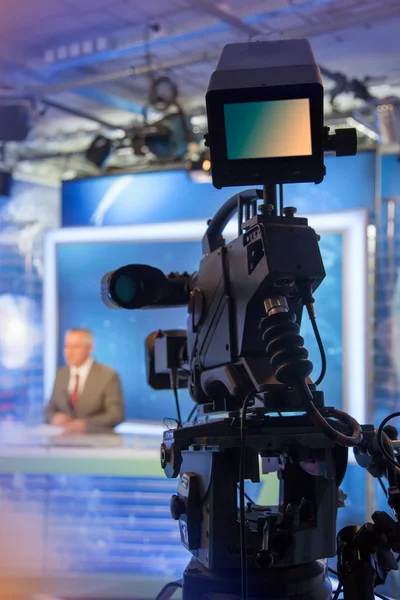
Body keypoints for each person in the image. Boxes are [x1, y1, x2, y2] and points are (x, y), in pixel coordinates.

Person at [45, 328, 124, 434]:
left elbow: (116, 415)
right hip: (63, 443)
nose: (69, 352)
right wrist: (54, 417)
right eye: (66, 346)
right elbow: (49, 410)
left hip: (97, 443)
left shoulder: (108, 376)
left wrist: (86, 424)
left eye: (75, 347)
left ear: (89, 348)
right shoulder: (61, 374)